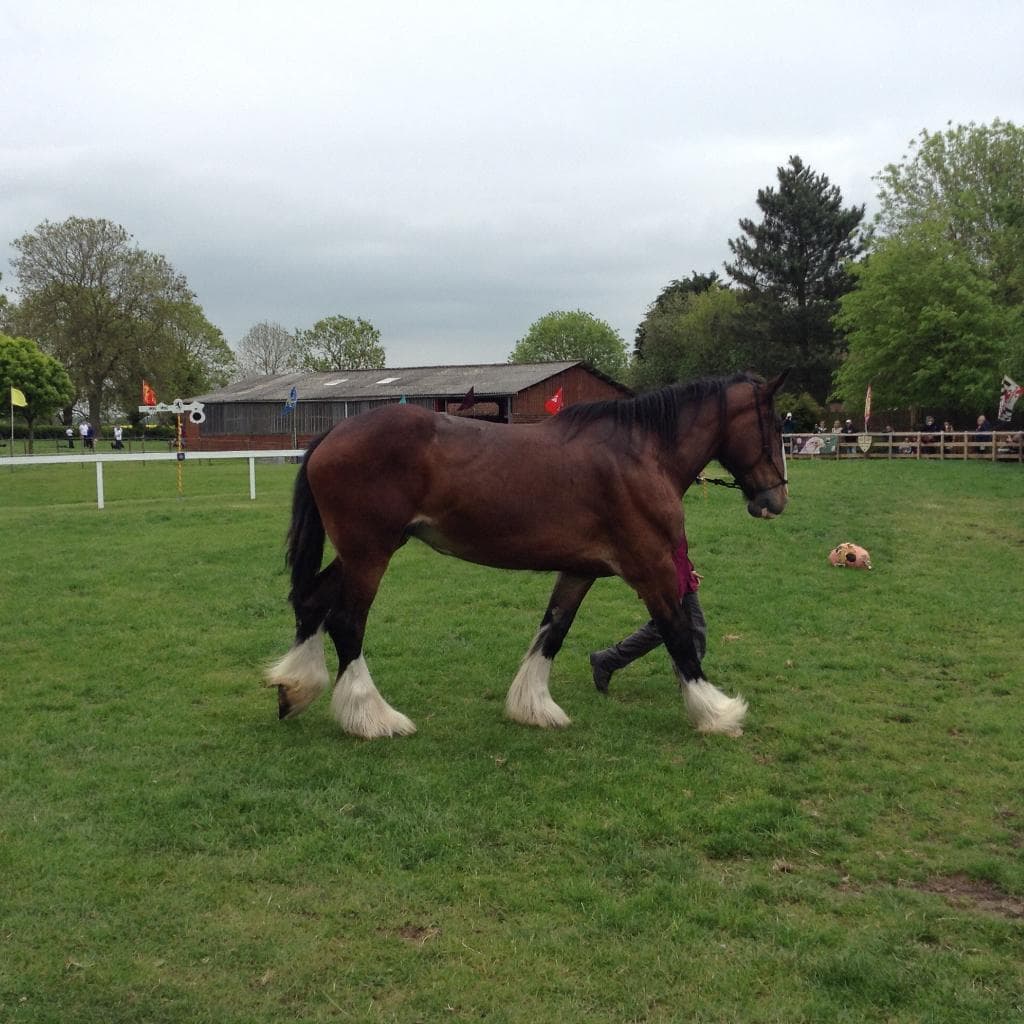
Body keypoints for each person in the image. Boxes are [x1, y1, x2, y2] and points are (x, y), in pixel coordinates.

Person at [589, 535, 706, 693]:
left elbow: (676, 536)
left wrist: (687, 567)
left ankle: (690, 677)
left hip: (679, 568)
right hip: (663, 570)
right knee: (666, 627)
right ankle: (692, 680)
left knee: (694, 626)